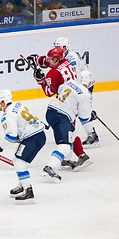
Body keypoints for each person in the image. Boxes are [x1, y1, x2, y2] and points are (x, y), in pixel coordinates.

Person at [27, 48, 93, 176]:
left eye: (51, 59)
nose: (49, 61)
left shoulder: (53, 73)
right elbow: (52, 63)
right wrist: (38, 60)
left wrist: (40, 80)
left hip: (68, 103)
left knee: (69, 134)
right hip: (73, 98)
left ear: (57, 59)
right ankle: (70, 157)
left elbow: (49, 92)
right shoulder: (66, 62)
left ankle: (79, 156)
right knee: (70, 132)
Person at [0, 89, 46, 202]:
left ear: (3, 102)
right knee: (18, 160)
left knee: (19, 163)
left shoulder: (7, 115)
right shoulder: (18, 104)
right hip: (38, 135)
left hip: (32, 138)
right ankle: (23, 184)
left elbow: (11, 138)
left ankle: (28, 191)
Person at [42, 71, 95, 182]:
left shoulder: (70, 82)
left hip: (51, 111)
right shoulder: (85, 94)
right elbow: (84, 117)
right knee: (64, 146)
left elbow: (60, 91)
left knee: (72, 132)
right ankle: (50, 167)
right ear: (89, 82)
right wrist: (91, 128)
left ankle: (77, 157)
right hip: (61, 117)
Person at [53, 37, 99, 148]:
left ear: (65, 47)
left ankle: (92, 136)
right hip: (78, 86)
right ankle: (89, 129)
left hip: (83, 85)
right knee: (78, 111)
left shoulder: (71, 57)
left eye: (58, 47)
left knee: (81, 111)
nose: (56, 50)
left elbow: (74, 77)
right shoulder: (65, 55)